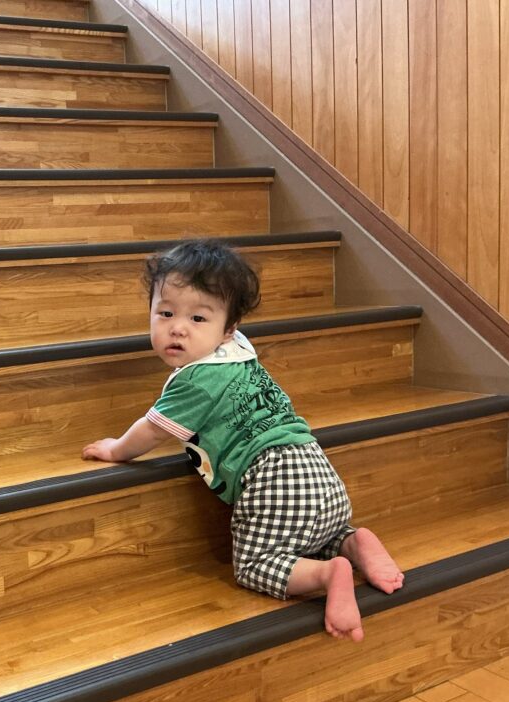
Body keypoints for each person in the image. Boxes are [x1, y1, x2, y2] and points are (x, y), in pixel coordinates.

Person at [82, 240, 404, 641]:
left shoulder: (197, 381)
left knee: (254, 565)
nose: (178, 328)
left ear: (228, 328)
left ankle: (328, 573)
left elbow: (153, 430)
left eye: (198, 318)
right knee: (318, 536)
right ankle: (352, 542)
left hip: (273, 481)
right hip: (317, 470)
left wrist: (115, 449)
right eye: (165, 313)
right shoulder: (237, 350)